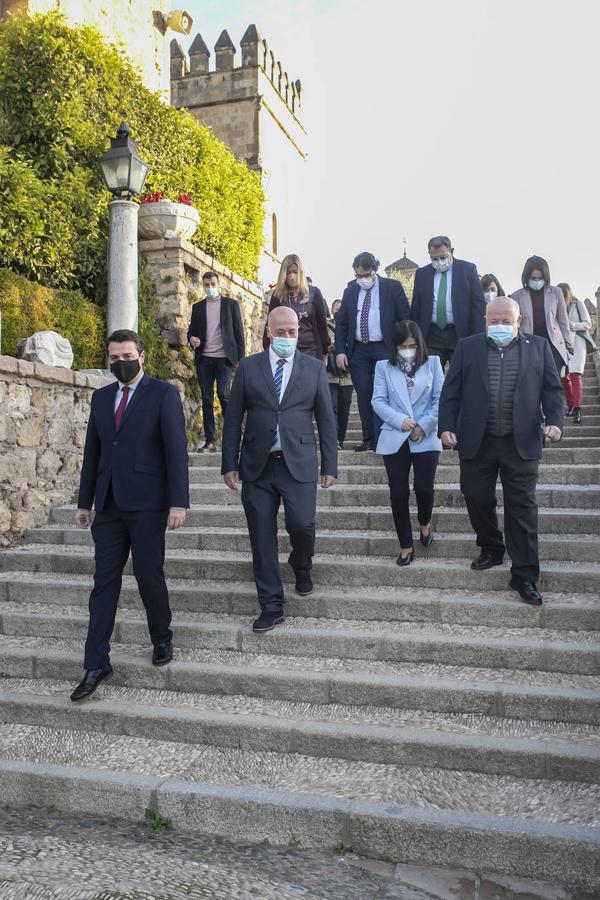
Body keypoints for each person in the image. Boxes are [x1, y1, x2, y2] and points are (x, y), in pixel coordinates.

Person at [71, 330, 189, 701]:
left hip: (148, 504)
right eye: (114, 357)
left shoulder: (163, 395)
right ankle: (95, 663)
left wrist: (178, 502)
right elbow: (94, 451)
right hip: (107, 505)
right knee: (104, 581)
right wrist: (84, 501)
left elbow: (175, 452)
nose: (121, 363)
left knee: (148, 574)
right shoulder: (102, 398)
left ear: (141, 355)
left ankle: (161, 637)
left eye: (126, 355)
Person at [438, 298, 564, 606]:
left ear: (519, 322)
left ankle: (525, 576)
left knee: (522, 510)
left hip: (521, 442)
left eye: (506, 321)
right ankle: (492, 547)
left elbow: (552, 389)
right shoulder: (467, 348)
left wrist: (556, 421)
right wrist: (445, 427)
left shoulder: (538, 347)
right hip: (477, 441)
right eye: (494, 321)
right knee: (476, 495)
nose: (500, 326)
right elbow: (450, 393)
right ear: (484, 322)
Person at [222, 306, 337, 633]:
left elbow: (326, 421)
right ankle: (271, 605)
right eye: (281, 332)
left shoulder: (313, 369)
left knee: (302, 525)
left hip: (297, 463)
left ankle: (301, 564)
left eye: (293, 332)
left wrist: (330, 464)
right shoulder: (248, 367)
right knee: (261, 537)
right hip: (257, 465)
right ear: (269, 332)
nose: (288, 337)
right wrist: (229, 463)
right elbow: (233, 419)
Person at [372, 322, 444, 566]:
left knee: (424, 488)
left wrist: (423, 426)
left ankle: (424, 523)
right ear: (395, 347)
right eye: (402, 346)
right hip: (395, 435)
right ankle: (405, 545)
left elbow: (440, 399)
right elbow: (378, 401)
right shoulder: (383, 367)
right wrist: (401, 420)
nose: (408, 351)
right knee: (398, 493)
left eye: (412, 346)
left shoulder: (433, 363)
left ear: (420, 345)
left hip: (426, 434)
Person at [335, 251, 410, 451]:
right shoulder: (350, 291)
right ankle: (369, 438)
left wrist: (405, 348)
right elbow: (341, 324)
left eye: (365, 275)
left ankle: (381, 437)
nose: (361, 279)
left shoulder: (392, 288)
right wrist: (340, 351)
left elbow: (405, 319)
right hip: (358, 350)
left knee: (383, 394)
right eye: (357, 276)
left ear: (374, 271)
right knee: (364, 392)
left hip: (384, 348)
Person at [187, 270, 245, 453]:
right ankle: (210, 440)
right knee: (206, 399)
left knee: (224, 395)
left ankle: (232, 437)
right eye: (206, 285)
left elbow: (239, 334)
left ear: (218, 284)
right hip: (204, 359)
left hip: (224, 360)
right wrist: (191, 340)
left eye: (212, 284)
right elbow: (191, 332)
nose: (210, 288)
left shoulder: (231, 305)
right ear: (202, 286)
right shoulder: (197, 307)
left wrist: (240, 359)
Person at [410, 235, 486, 366]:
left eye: (443, 257)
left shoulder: (468, 270)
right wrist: (415, 337)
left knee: (461, 373)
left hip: (460, 333)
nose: (439, 262)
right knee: (431, 375)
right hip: (431, 335)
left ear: (452, 251)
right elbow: (416, 307)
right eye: (434, 258)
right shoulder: (422, 274)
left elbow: (478, 306)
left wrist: (476, 336)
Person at [510, 255, 572, 376]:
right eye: (533, 278)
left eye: (540, 278)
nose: (537, 281)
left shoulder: (556, 293)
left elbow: (563, 320)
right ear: (527, 277)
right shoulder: (517, 296)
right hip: (529, 342)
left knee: (554, 380)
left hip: (552, 342)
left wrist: (568, 344)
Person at [263, 254, 330, 360]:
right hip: (283, 350)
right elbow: (269, 324)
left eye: (295, 272)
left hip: (310, 350)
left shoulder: (314, 293)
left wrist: (325, 350)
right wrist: (267, 349)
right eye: (288, 273)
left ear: (301, 272)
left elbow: (322, 325)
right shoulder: (277, 295)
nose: (291, 277)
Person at [558, 282, 594, 423]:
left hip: (577, 343)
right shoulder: (557, 306)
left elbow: (588, 323)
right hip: (562, 344)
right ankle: (571, 405)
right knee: (563, 376)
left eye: (564, 295)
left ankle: (577, 408)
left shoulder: (577, 304)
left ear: (569, 293)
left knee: (575, 375)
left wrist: (574, 325)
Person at [326, 299, 354, 450]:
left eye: (340, 309)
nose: (338, 312)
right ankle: (333, 439)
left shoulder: (352, 326)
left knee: (344, 409)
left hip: (347, 376)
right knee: (331, 407)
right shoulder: (325, 326)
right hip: (330, 373)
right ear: (331, 311)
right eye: (335, 309)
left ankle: (341, 439)